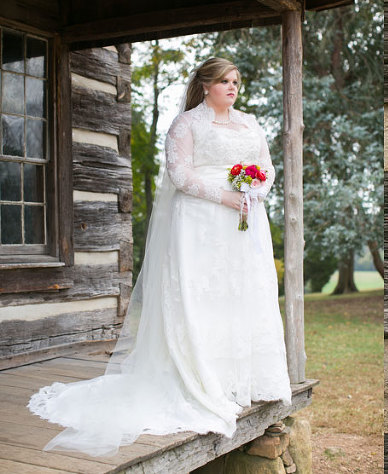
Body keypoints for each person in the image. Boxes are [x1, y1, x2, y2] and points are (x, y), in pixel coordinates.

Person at [27, 57, 292, 457]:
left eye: (236, 80)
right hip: (201, 223)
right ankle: (201, 379)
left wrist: (256, 192)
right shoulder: (187, 125)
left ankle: (244, 379)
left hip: (244, 223)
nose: (233, 87)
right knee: (201, 297)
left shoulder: (250, 123)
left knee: (241, 295)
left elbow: (268, 168)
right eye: (224, 81)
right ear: (206, 86)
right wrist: (226, 196)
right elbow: (180, 174)